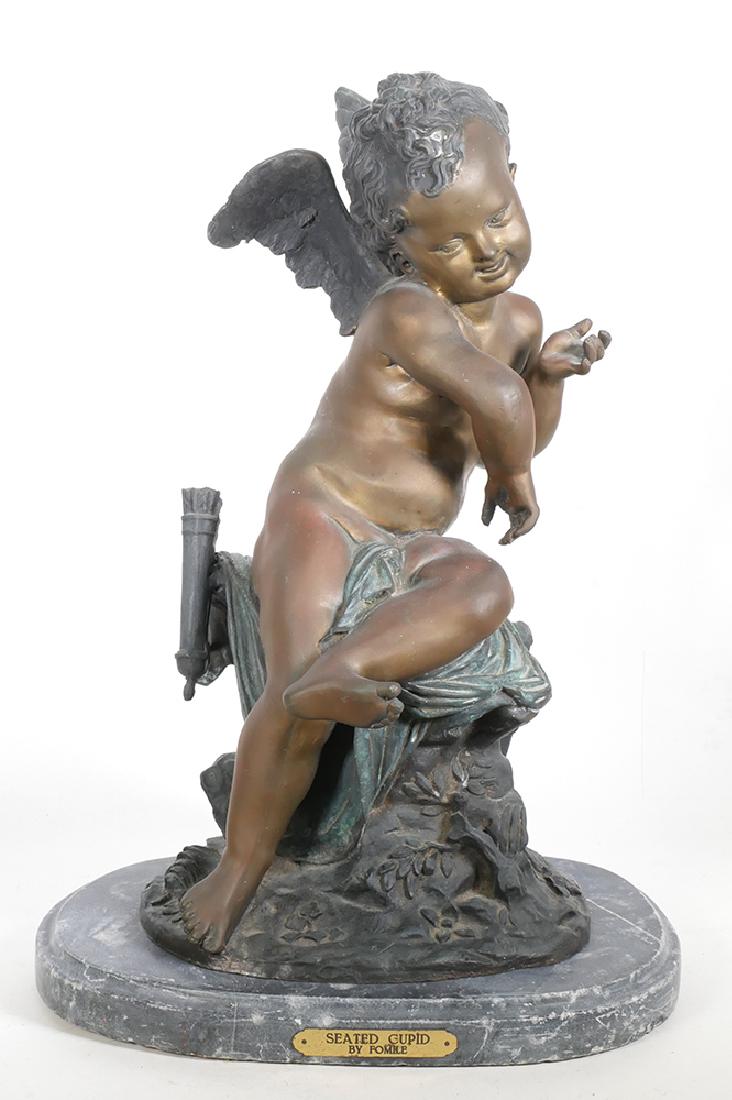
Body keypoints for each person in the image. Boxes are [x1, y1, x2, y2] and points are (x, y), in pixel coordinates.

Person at [181, 73, 610, 953]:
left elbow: (520, 424)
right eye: (448, 240)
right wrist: (515, 470)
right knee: (288, 702)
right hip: (321, 512)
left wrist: (547, 378)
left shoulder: (519, 320)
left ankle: (345, 670)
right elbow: (497, 410)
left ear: (516, 181)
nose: (485, 251)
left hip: (410, 542)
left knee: (486, 585)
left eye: (498, 218)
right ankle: (240, 870)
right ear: (396, 244)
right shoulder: (404, 310)